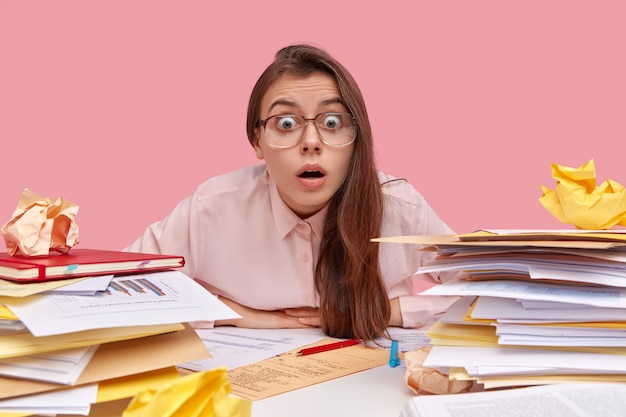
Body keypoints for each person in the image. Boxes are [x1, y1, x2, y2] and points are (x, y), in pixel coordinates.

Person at [125, 43, 458, 341]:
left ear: (357, 137)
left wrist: (389, 312)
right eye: (286, 124)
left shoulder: (400, 208)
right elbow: (118, 288)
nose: (311, 143)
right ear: (257, 141)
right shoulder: (211, 208)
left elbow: (496, 294)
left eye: (332, 123)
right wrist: (230, 313)